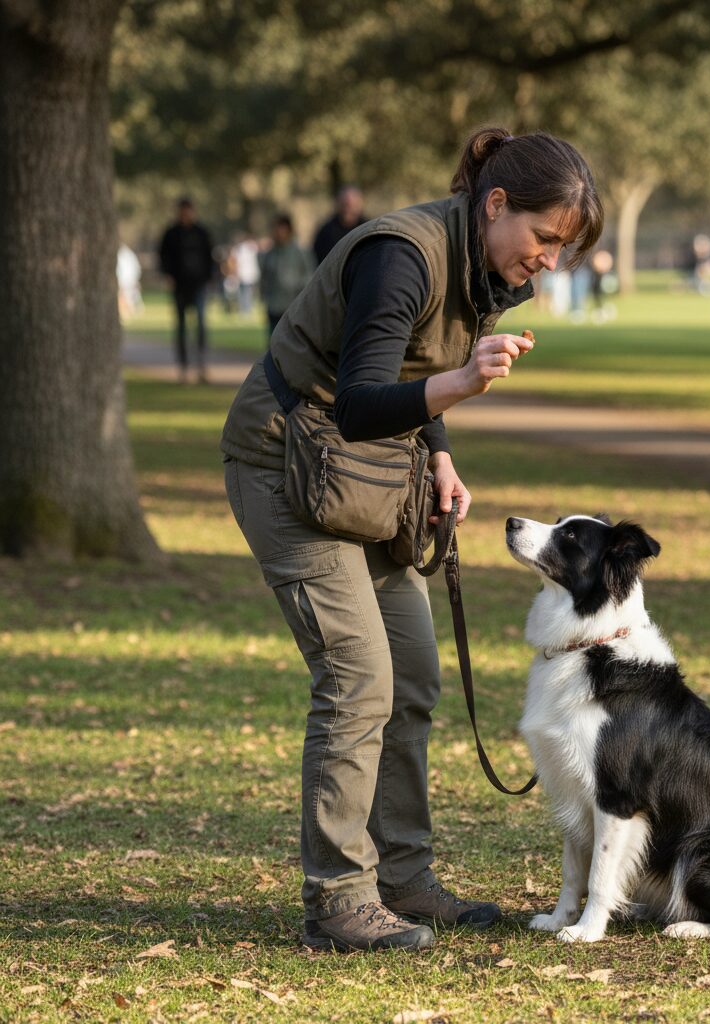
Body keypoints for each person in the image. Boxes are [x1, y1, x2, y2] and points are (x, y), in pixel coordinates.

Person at [220, 127, 602, 953]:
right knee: (358, 679)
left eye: (560, 250)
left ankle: (403, 878)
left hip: (365, 475)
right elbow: (362, 400)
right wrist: (464, 383)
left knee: (414, 676)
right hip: (284, 464)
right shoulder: (401, 256)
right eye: (543, 238)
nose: (547, 262)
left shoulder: (486, 268)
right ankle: (338, 899)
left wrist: (441, 455)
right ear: (495, 204)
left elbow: (407, 371)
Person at [158, 198, 216, 383]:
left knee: (200, 325)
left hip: (198, 285)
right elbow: (163, 256)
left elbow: (210, 256)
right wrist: (168, 275)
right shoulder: (171, 233)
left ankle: (201, 364)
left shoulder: (201, 233)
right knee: (181, 327)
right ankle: (183, 367)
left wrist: (209, 278)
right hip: (180, 286)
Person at [258, 214, 315, 342]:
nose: (278, 233)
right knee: (273, 342)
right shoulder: (270, 254)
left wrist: (298, 291)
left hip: (292, 307)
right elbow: (265, 277)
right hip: (273, 306)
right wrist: (264, 293)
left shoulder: (300, 252)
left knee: (292, 343)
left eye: (281, 230)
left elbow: (309, 276)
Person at [313, 186, 368, 265]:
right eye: (344, 205)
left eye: (352, 205)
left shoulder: (368, 229)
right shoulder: (326, 231)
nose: (348, 209)